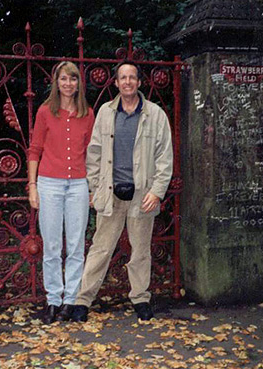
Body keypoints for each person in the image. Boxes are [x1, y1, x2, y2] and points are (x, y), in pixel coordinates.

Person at [71, 61, 173, 322]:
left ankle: (140, 298)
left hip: (143, 196)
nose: (127, 82)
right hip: (111, 193)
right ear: (115, 83)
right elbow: (93, 153)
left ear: (139, 82)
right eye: (122, 78)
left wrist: (157, 191)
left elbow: (165, 157)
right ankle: (83, 300)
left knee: (140, 250)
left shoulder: (155, 114)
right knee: (100, 248)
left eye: (132, 77)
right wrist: (95, 188)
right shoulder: (105, 112)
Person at [28, 61, 94, 324]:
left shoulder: (87, 113)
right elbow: (34, 150)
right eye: (64, 79)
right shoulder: (45, 112)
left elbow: (91, 152)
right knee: (53, 246)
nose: (68, 84)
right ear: (56, 82)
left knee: (77, 245)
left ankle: (71, 300)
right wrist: (32, 186)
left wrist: (93, 188)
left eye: (73, 79)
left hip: (78, 184)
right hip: (49, 184)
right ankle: (53, 299)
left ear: (79, 83)